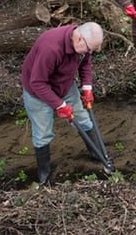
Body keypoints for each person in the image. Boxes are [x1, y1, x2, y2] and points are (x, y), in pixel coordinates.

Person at [21, 22, 105, 185]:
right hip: (37, 92)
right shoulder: (51, 48)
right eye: (89, 49)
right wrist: (60, 105)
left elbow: (85, 64)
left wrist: (87, 87)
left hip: (65, 85)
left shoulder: (83, 44)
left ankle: (97, 154)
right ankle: (44, 174)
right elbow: (37, 82)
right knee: (43, 132)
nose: (89, 52)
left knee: (82, 119)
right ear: (79, 38)